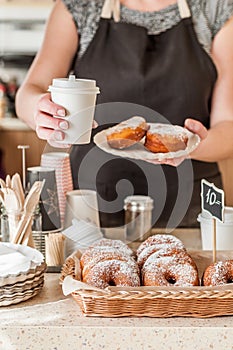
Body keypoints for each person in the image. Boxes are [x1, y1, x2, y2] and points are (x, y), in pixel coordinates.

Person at [15, 0, 233, 230]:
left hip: (189, 209)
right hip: (93, 205)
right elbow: (28, 93)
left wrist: (194, 146)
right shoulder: (80, 6)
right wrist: (38, 109)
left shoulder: (214, 9)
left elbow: (228, 125)